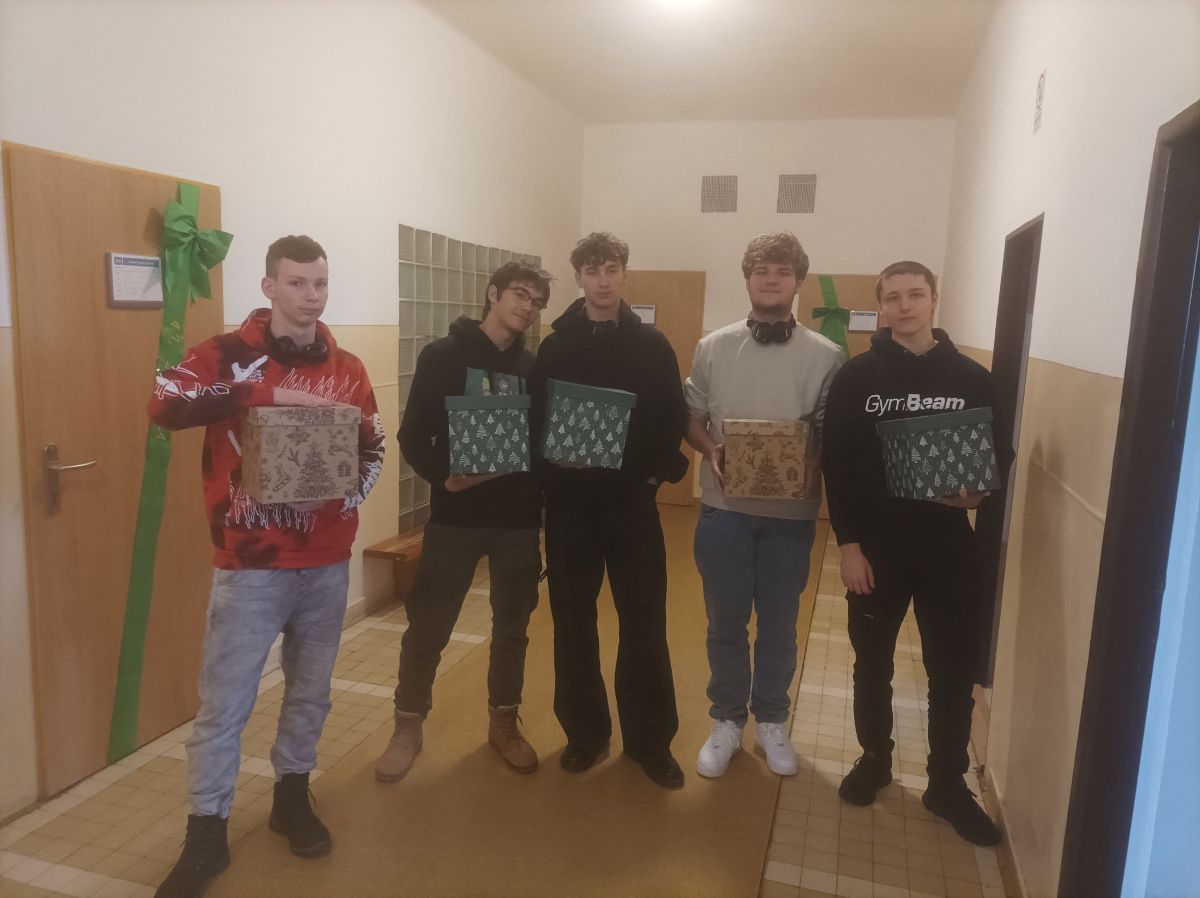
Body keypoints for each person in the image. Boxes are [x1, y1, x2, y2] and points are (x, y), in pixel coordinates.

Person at [148, 235, 385, 897]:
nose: (311, 296)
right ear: (269, 286)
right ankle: (206, 831)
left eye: (320, 283)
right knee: (225, 705)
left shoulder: (348, 368)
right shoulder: (226, 355)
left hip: (326, 561)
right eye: (297, 283)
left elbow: (371, 446)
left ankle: (291, 797)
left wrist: (340, 495)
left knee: (311, 692)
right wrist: (267, 396)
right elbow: (163, 404)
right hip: (249, 565)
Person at [821, 260, 1009, 846]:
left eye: (916, 294)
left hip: (949, 548)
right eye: (894, 297)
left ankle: (946, 784)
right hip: (876, 548)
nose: (905, 306)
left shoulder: (973, 379)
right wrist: (849, 545)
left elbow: (998, 454)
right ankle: (875, 759)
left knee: (950, 671)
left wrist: (980, 491)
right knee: (871, 661)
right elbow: (837, 465)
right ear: (881, 306)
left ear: (934, 300)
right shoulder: (856, 378)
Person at [375, 260, 552, 782]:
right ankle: (408, 725)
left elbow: (538, 438)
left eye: (537, 301)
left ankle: (504, 722)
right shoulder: (443, 355)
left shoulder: (533, 367)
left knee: (512, 628)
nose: (528, 307)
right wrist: (443, 478)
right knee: (429, 624)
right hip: (456, 517)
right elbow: (413, 434)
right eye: (520, 294)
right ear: (493, 294)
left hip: (518, 520)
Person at [530, 231, 689, 789]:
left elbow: (673, 416)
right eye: (593, 270)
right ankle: (585, 734)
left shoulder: (653, 346)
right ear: (578, 277)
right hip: (571, 511)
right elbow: (536, 422)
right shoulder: (554, 348)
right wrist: (551, 472)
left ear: (624, 274)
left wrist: (654, 474)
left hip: (631, 508)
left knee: (644, 623)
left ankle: (650, 742)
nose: (603, 280)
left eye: (612, 269)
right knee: (573, 625)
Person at [684, 233, 842, 778]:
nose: (771, 279)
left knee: (779, 625)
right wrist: (712, 449)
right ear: (747, 279)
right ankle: (727, 719)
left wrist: (814, 460)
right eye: (761, 270)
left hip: (790, 518)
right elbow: (692, 417)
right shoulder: (713, 346)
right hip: (723, 511)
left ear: (798, 282)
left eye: (782, 271)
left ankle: (772, 719)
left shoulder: (827, 355)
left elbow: (831, 427)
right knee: (725, 622)